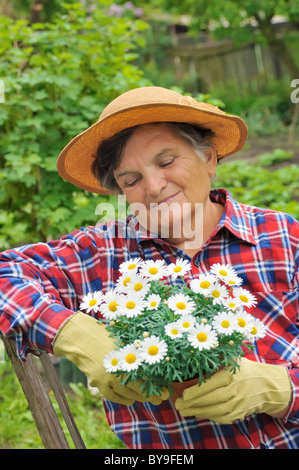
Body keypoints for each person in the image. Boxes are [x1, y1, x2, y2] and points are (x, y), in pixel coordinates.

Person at [0, 86, 298, 449]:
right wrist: (76, 334)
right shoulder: (101, 252)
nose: (154, 187)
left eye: (166, 161)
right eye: (132, 180)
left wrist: (280, 388)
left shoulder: (285, 237)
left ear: (208, 157)